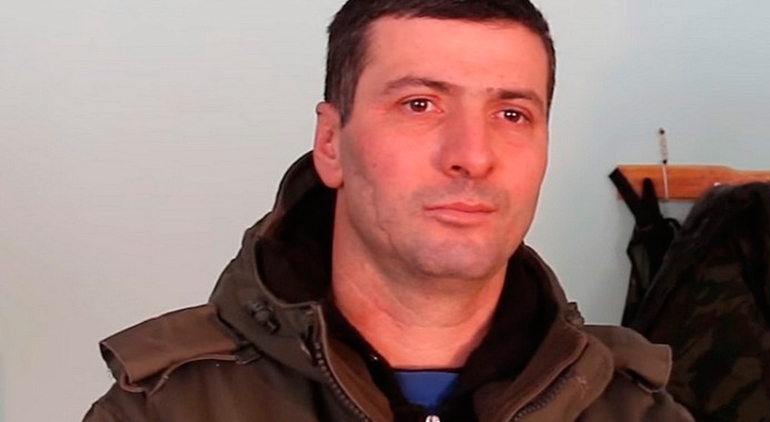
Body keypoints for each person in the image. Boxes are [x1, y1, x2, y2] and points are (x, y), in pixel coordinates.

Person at [84, 1, 693, 421]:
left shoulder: (633, 411)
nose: (473, 156)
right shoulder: (169, 409)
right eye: (420, 104)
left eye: (512, 114)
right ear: (331, 143)